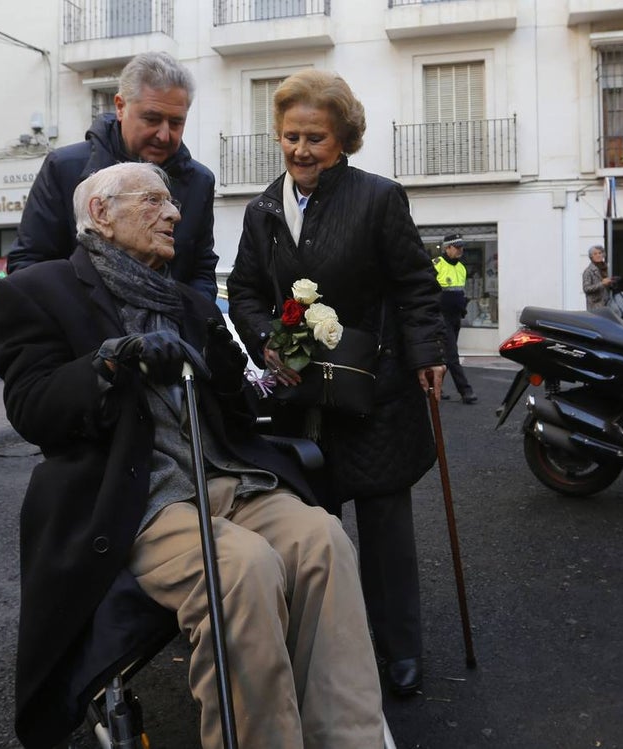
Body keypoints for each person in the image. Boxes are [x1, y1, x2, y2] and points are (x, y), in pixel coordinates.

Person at [0, 162, 387, 749]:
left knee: (323, 539)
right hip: (135, 498)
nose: (175, 214)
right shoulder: (35, 291)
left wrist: (237, 374)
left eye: (172, 203)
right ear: (101, 214)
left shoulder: (188, 303)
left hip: (222, 475)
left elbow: (238, 407)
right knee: (243, 568)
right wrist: (110, 360)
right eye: (153, 202)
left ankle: (348, 739)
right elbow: (32, 408)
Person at [227, 70, 447, 698]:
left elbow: (414, 284)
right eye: (291, 136)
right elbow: (243, 289)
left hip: (374, 394)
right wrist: (267, 338)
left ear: (343, 140)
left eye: (315, 138)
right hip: (299, 399)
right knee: (311, 539)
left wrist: (426, 351)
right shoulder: (263, 207)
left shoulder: (379, 198)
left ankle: (400, 651)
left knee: (385, 538)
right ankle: (322, 656)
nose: (300, 150)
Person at [7, 51, 219, 301]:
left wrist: (183, 324)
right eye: (151, 119)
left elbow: (202, 271)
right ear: (120, 106)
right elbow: (28, 263)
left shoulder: (199, 182)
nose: (164, 135)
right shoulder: (64, 168)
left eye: (176, 123)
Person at [433, 233, 478, 404]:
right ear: (447, 248)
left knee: (444, 356)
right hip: (441, 317)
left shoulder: (461, 268)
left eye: (462, 247)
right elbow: (427, 290)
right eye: (457, 247)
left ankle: (434, 388)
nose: (461, 250)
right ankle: (466, 391)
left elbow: (458, 293)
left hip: (455, 317)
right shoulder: (436, 265)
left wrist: (462, 308)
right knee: (452, 356)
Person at [583, 244, 612, 310]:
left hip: (607, 304)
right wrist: (602, 283)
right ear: (591, 257)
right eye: (595, 254)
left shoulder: (606, 268)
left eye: (600, 253)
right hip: (595, 306)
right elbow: (586, 288)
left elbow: (607, 287)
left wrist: (612, 282)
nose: (598, 255)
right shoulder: (588, 271)